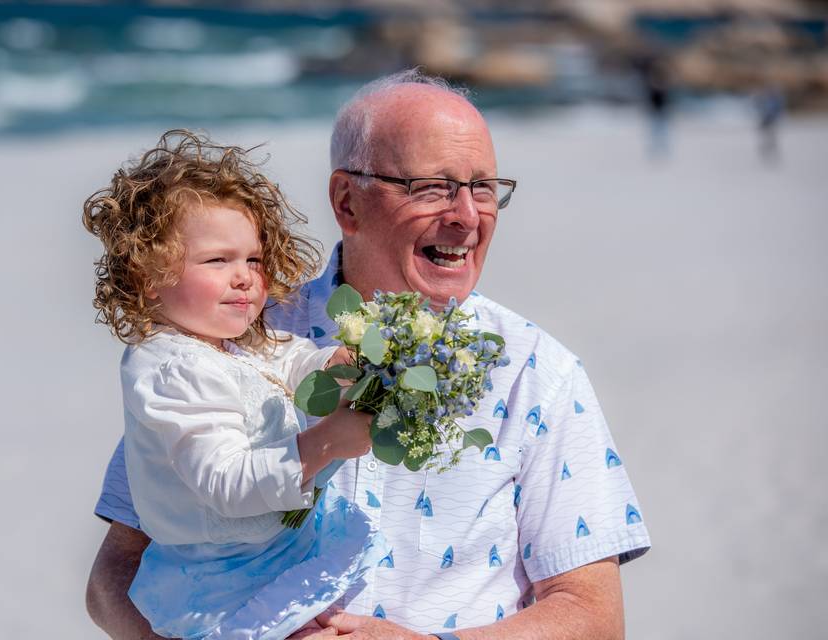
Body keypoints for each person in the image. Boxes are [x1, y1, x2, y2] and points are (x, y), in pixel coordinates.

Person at [87, 70, 651, 640]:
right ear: (346, 201)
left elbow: (592, 617)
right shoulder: (230, 338)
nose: (467, 215)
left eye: (483, 188)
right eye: (431, 186)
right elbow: (116, 571)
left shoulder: (537, 371)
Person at [82, 130, 388, 639]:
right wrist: (326, 442)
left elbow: (291, 362)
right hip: (222, 584)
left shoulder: (231, 341)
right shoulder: (170, 368)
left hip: (269, 555)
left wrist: (337, 364)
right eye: (217, 261)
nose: (244, 277)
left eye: (253, 259)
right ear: (148, 275)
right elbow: (224, 483)